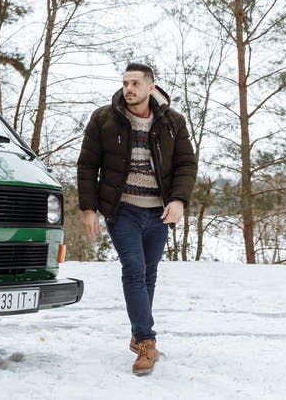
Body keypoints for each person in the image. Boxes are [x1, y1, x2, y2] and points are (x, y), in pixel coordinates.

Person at [76, 62, 197, 376]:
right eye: (125, 83)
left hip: (158, 211)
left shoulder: (172, 122)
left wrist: (179, 200)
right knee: (134, 267)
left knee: (149, 274)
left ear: (151, 88)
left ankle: (137, 331)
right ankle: (146, 341)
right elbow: (87, 165)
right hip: (123, 209)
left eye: (135, 84)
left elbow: (186, 164)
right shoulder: (105, 119)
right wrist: (88, 207)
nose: (129, 89)